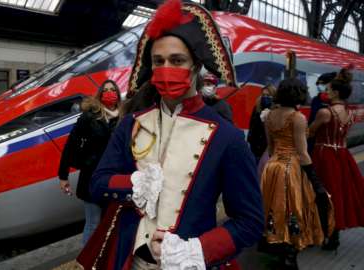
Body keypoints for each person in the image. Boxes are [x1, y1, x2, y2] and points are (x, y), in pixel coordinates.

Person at [77, 1, 264, 269]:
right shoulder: (130, 124)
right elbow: (97, 184)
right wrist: (135, 184)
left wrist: (196, 251)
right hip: (128, 260)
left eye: (177, 60)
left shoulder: (227, 138)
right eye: (158, 61)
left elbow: (249, 221)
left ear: (196, 65)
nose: (166, 68)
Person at [260, 78, 332, 269]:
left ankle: (276, 247)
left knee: (275, 209)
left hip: (272, 166)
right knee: (294, 209)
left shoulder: (268, 115)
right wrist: (315, 180)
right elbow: (302, 152)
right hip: (290, 168)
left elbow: (270, 148)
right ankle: (290, 256)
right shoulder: (297, 117)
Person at [58, 79, 121, 245]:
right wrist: (63, 176)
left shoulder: (123, 117)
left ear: (118, 94)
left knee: (111, 224)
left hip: (114, 178)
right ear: (100, 94)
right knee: (93, 223)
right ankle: (87, 263)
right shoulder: (89, 117)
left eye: (113, 90)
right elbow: (71, 145)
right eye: (106, 90)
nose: (109, 93)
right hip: (91, 177)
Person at [309, 66, 364, 250]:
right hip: (342, 155)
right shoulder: (350, 113)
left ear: (336, 92)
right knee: (338, 194)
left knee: (321, 194)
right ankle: (334, 234)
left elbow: (310, 133)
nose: (326, 92)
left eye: (329, 89)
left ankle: (325, 232)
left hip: (324, 155)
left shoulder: (325, 113)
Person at [247, 84, 277, 163]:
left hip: (267, 149)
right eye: (263, 95)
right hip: (254, 147)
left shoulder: (276, 111)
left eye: (268, 95)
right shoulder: (257, 108)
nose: (265, 97)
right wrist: (249, 140)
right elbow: (252, 125)